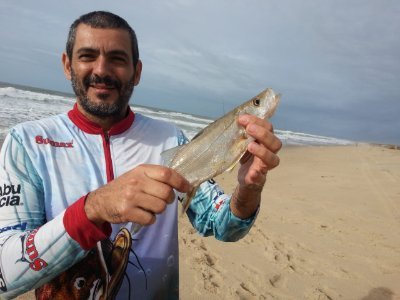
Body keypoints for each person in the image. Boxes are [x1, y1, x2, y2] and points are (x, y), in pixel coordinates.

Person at [0, 11, 281, 299]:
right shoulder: (27, 143)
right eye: (87, 56)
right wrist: (92, 209)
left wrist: (248, 189)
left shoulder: (171, 139)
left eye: (117, 59)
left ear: (137, 71)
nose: (101, 70)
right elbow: (5, 275)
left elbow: (221, 225)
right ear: (67, 65)